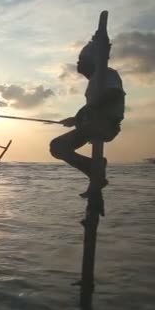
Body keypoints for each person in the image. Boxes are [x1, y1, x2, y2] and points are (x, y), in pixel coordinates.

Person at [50, 42, 125, 197]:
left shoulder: (107, 74)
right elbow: (91, 110)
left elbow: (114, 94)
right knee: (57, 147)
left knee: (61, 145)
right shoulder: (93, 81)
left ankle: (96, 170)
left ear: (92, 62)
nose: (78, 64)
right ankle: (94, 169)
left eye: (81, 60)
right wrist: (76, 119)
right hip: (91, 126)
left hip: (107, 125)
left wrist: (84, 112)